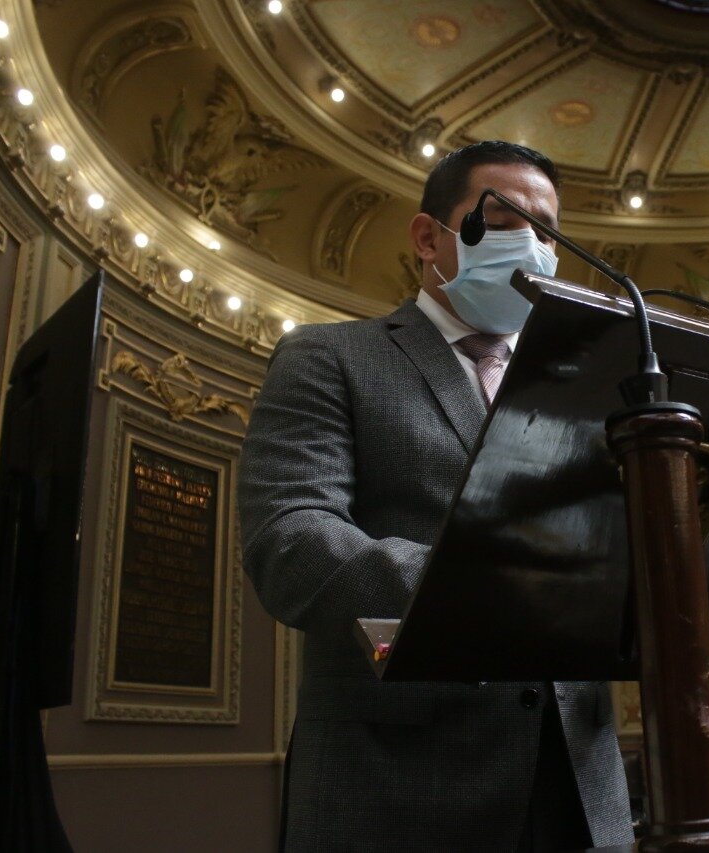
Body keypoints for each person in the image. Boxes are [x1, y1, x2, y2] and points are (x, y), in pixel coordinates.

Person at [238, 141, 634, 851]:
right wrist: (493, 584)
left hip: (580, 778)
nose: (534, 248)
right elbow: (290, 539)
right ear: (429, 237)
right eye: (507, 222)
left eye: (548, 233)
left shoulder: (582, 386)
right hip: (402, 780)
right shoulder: (330, 356)